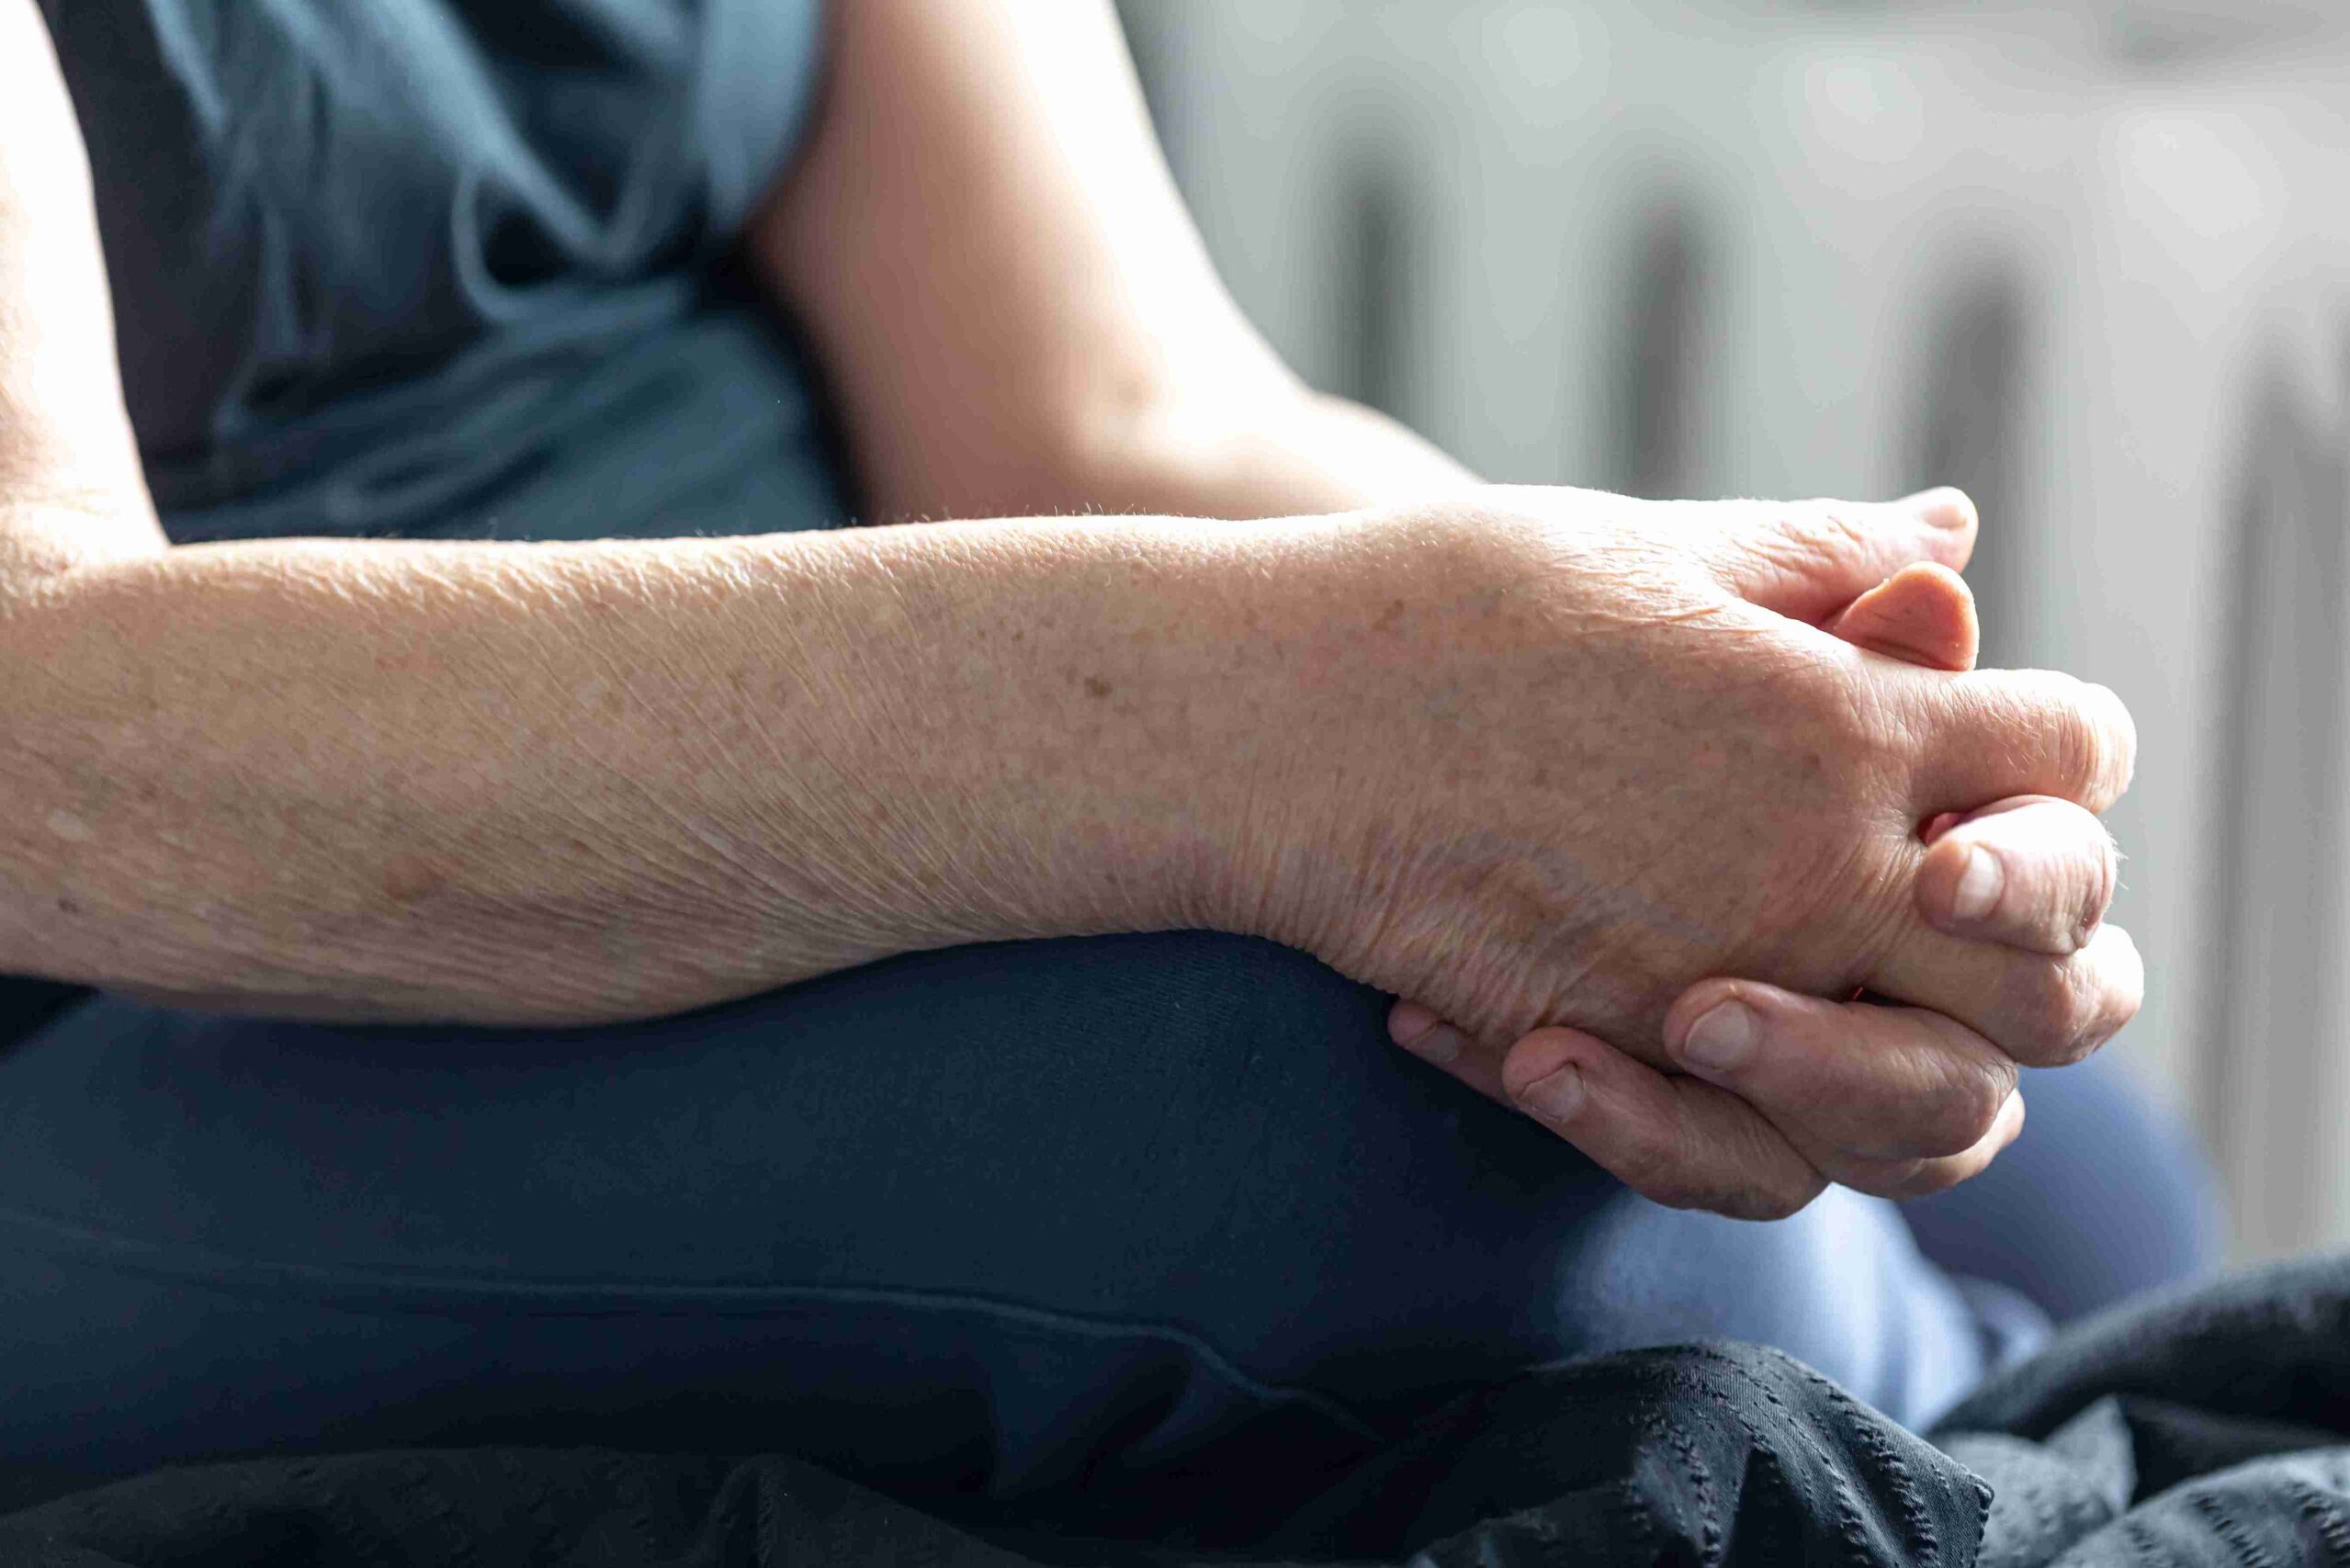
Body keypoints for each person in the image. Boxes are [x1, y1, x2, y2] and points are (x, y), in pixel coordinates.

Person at [0, 0, 2213, 1536]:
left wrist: (1720, 712)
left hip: (882, 735)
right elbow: (47, 721)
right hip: (158, 960)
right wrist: (1328, 722)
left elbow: (1111, 409)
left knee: (2065, 1164)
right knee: (1412, 1138)